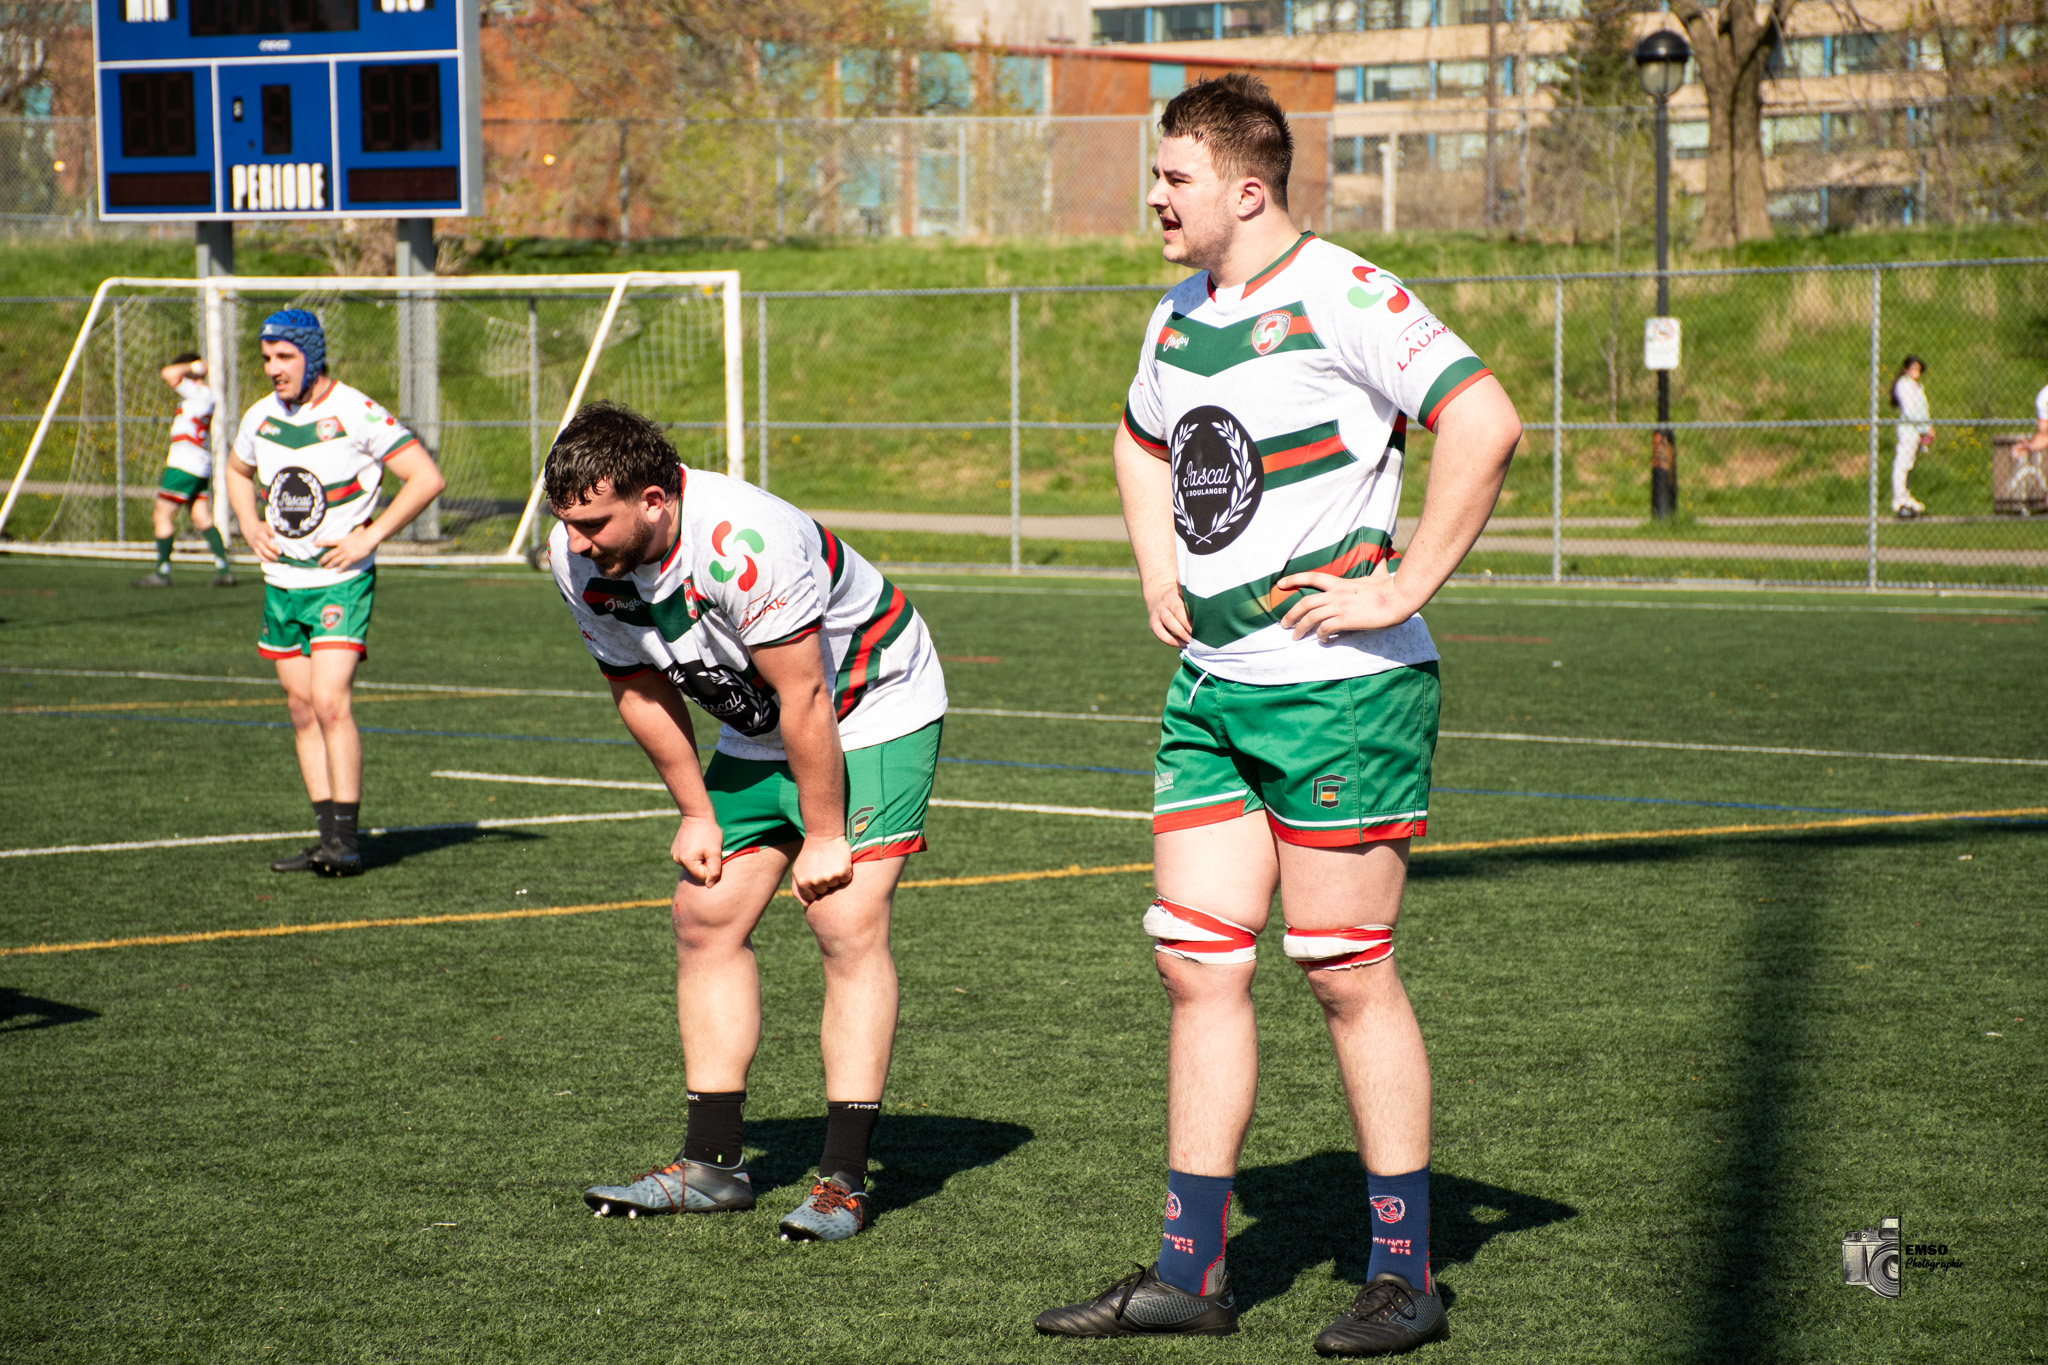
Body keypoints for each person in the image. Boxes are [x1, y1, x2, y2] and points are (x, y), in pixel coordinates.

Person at [1031, 75, 1520, 1357]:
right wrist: (1153, 568)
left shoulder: (1344, 293)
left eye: (1172, 177)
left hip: (1341, 696)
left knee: (1344, 975)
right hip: (1214, 691)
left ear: (1246, 190)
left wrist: (1403, 581)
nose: (1152, 195)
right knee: (1196, 962)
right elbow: (1143, 444)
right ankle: (1190, 1274)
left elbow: (1483, 419)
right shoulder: (1177, 312)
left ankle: (1405, 1275)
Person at [547, 401, 947, 1244]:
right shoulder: (577, 553)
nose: (579, 543)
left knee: (843, 916)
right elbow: (638, 685)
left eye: (594, 522)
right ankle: (712, 1165)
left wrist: (827, 831)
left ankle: (843, 1180)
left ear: (655, 499)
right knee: (705, 915)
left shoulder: (744, 540)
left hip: (870, 706)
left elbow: (807, 693)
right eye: (569, 524)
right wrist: (695, 809)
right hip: (763, 721)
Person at [221, 309, 445, 876]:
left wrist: (371, 535)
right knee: (300, 709)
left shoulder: (355, 411)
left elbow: (425, 477)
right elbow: (235, 471)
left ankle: (346, 840)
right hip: (283, 582)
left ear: (311, 356)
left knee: (329, 702)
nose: (273, 368)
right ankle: (325, 839)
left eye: (284, 357)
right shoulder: (261, 417)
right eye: (267, 358)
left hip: (340, 581)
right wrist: (248, 525)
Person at [131, 351, 236, 588]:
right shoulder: (200, 396)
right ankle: (224, 570)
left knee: (162, 514)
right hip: (197, 464)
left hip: (185, 464)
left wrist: (192, 367)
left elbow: (168, 373)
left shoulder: (198, 393)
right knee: (201, 518)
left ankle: (162, 572)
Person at [1889, 354, 1931, 519]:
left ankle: (1906, 496)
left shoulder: (1917, 386)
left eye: (1918, 369)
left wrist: (1926, 428)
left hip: (1917, 430)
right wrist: (1924, 428)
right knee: (1902, 463)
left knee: (1909, 464)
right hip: (1909, 430)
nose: (1916, 372)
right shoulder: (1904, 385)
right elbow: (1910, 411)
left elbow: (1922, 410)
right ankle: (1899, 499)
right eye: (1913, 368)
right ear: (1906, 370)